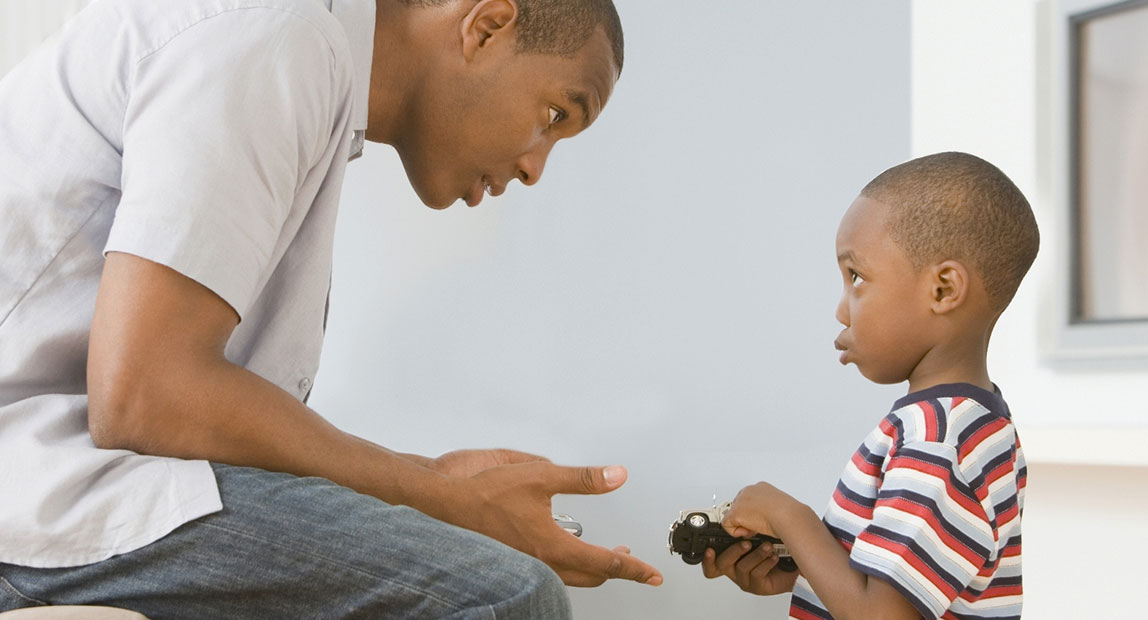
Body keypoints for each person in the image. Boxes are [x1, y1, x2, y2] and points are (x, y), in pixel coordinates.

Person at [0, 0, 662, 617]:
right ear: (485, 27)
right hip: (33, 491)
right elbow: (147, 396)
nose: (536, 168)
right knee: (508, 596)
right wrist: (445, 499)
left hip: (67, 475)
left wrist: (429, 477)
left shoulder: (295, 53)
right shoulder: (273, 37)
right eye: (554, 116)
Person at [701, 152, 1037, 620]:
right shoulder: (969, 425)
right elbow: (905, 588)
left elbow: (881, 616)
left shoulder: (937, 439)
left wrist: (790, 518)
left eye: (856, 277)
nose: (841, 310)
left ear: (943, 289)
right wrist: (804, 569)